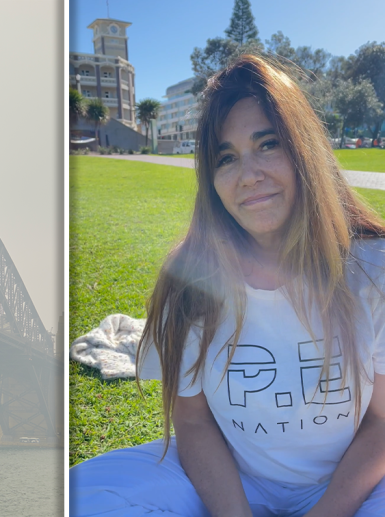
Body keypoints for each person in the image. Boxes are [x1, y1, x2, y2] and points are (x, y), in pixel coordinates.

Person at [70, 54, 385, 517]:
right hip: (231, 479)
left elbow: (381, 421)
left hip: (351, 483)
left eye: (268, 144)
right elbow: (194, 421)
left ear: (306, 151)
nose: (248, 174)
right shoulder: (190, 275)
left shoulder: (373, 268)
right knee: (84, 497)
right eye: (226, 157)